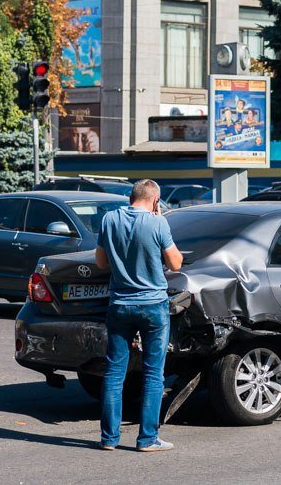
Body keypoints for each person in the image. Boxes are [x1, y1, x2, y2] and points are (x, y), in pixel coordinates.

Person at [94, 179, 183, 452]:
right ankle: (147, 439)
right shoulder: (158, 223)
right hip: (153, 305)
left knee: (114, 372)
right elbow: (176, 263)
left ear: (130, 197)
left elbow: (101, 262)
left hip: (120, 304)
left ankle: (109, 439)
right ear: (155, 201)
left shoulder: (109, 219)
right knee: (153, 374)